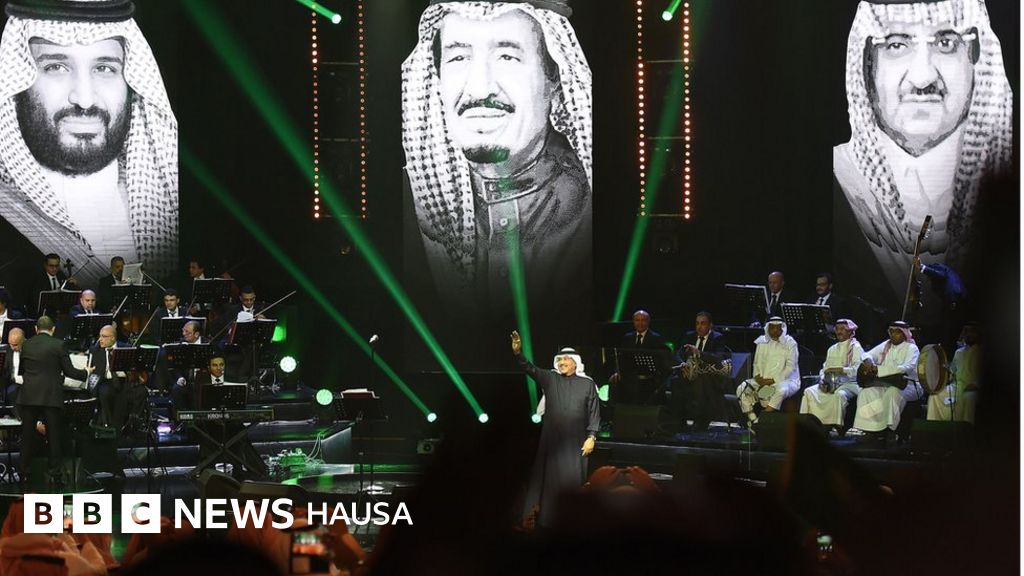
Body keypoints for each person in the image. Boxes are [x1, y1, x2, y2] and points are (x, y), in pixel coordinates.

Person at [402, 0, 592, 322]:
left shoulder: (593, 212)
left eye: (507, 57)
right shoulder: (408, 204)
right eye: (458, 58)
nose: (479, 88)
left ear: (555, 81)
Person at [833, 0, 1012, 320]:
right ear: (867, 61)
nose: (922, 77)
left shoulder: (1007, 184)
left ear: (974, 56)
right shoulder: (842, 180)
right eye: (896, 45)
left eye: (946, 43)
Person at [0, 0, 178, 285]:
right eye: (56, 67)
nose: (84, 99)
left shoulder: (168, 206)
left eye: (104, 68)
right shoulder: (8, 216)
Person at [512, 330, 599, 527]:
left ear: (575, 363)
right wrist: (518, 353)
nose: (561, 363)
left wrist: (592, 437)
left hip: (576, 442)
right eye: (559, 360)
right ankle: (547, 521)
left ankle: (571, 522)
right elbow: (530, 368)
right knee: (548, 482)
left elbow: (594, 412)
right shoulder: (550, 379)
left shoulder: (587, 384)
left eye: (566, 360)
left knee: (574, 480)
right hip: (552, 441)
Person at [17, 315, 91, 486]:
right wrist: (86, 372)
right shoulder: (58, 344)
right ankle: (55, 475)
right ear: (53, 329)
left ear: (36, 329)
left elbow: (22, 370)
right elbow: (70, 372)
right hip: (51, 396)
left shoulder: (26, 345)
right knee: (54, 437)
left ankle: (23, 473)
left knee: (27, 436)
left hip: (29, 396)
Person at [852, 320, 923, 440]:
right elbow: (866, 354)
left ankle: (889, 430)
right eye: (891, 331)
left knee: (892, 393)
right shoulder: (886, 345)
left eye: (897, 332)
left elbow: (907, 368)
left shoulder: (912, 348)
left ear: (904, 334)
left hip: (909, 385)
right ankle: (870, 430)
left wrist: (879, 369)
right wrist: (868, 361)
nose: (893, 335)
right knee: (866, 393)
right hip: (886, 383)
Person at [800, 319, 865, 431]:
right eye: (837, 329)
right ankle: (808, 423)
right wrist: (822, 381)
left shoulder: (856, 348)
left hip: (849, 383)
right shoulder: (832, 349)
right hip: (830, 382)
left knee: (839, 395)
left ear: (850, 331)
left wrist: (840, 370)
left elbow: (857, 371)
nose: (839, 332)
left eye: (842, 329)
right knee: (809, 391)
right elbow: (824, 369)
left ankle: (835, 426)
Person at [672, 311, 731, 430]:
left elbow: (718, 358)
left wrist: (699, 353)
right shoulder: (689, 336)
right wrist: (683, 364)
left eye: (703, 323)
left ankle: (700, 421)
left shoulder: (718, 338)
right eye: (697, 323)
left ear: (710, 325)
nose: (699, 326)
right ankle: (679, 421)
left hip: (710, 375)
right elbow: (678, 354)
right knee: (676, 381)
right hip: (690, 373)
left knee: (700, 381)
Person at [737, 317, 800, 429]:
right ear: (767, 328)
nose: (774, 330)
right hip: (762, 380)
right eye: (772, 327)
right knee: (742, 388)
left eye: (777, 327)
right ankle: (753, 420)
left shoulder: (790, 343)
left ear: (782, 328)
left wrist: (773, 380)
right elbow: (756, 363)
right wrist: (757, 378)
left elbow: (790, 368)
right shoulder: (761, 342)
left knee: (780, 390)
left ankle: (762, 420)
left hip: (786, 381)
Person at [927, 322, 980, 423]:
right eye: (967, 332)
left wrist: (976, 385)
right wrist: (945, 369)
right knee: (934, 395)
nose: (969, 335)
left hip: (973, 387)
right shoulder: (959, 352)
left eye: (972, 332)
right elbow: (952, 372)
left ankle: (966, 428)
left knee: (969, 397)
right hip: (956, 386)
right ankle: (933, 426)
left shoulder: (981, 351)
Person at [87, 324, 124, 429]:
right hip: (106, 381)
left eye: (104, 336)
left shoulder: (125, 348)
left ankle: (134, 424)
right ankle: (108, 425)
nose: (100, 339)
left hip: (123, 381)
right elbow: (95, 374)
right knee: (104, 392)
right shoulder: (95, 351)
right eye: (100, 336)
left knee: (140, 392)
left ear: (112, 338)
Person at [2, 327, 25, 412]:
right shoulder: (6, 350)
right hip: (11, 382)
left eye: (15, 345)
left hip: (27, 381)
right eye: (10, 344)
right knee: (12, 391)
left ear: (23, 341)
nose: (12, 347)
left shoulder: (31, 350)